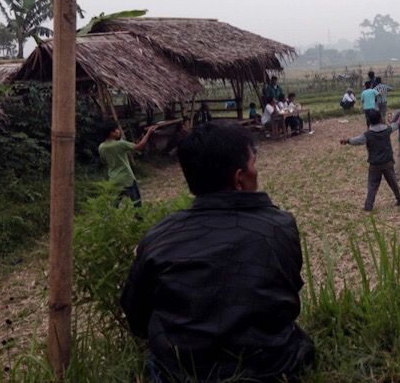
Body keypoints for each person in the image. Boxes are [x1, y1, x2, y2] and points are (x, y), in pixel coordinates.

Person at [121, 123, 315, 382]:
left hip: (182, 373)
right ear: (239, 178)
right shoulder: (279, 226)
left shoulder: (159, 236)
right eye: (253, 163)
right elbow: (288, 296)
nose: (256, 171)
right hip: (272, 366)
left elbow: (136, 317)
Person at [340, 109, 400, 211]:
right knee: (393, 182)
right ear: (380, 119)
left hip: (375, 164)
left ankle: (368, 206)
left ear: (369, 121)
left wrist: (347, 141)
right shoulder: (387, 130)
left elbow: (357, 141)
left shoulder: (368, 135)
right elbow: (396, 125)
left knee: (372, 186)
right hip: (387, 162)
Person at [98, 120, 158, 207]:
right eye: (117, 129)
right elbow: (140, 147)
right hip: (127, 178)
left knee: (114, 206)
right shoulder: (120, 144)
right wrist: (148, 133)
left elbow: (104, 161)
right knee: (137, 204)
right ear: (112, 133)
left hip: (113, 179)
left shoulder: (101, 147)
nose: (119, 131)